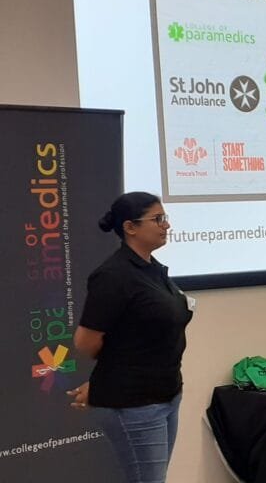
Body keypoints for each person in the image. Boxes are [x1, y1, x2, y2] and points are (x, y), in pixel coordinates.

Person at [67, 192, 193, 483]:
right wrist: (113, 376)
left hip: (167, 393)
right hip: (135, 404)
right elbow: (86, 342)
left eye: (165, 218)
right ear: (130, 227)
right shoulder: (114, 276)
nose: (166, 225)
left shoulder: (153, 270)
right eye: (157, 219)